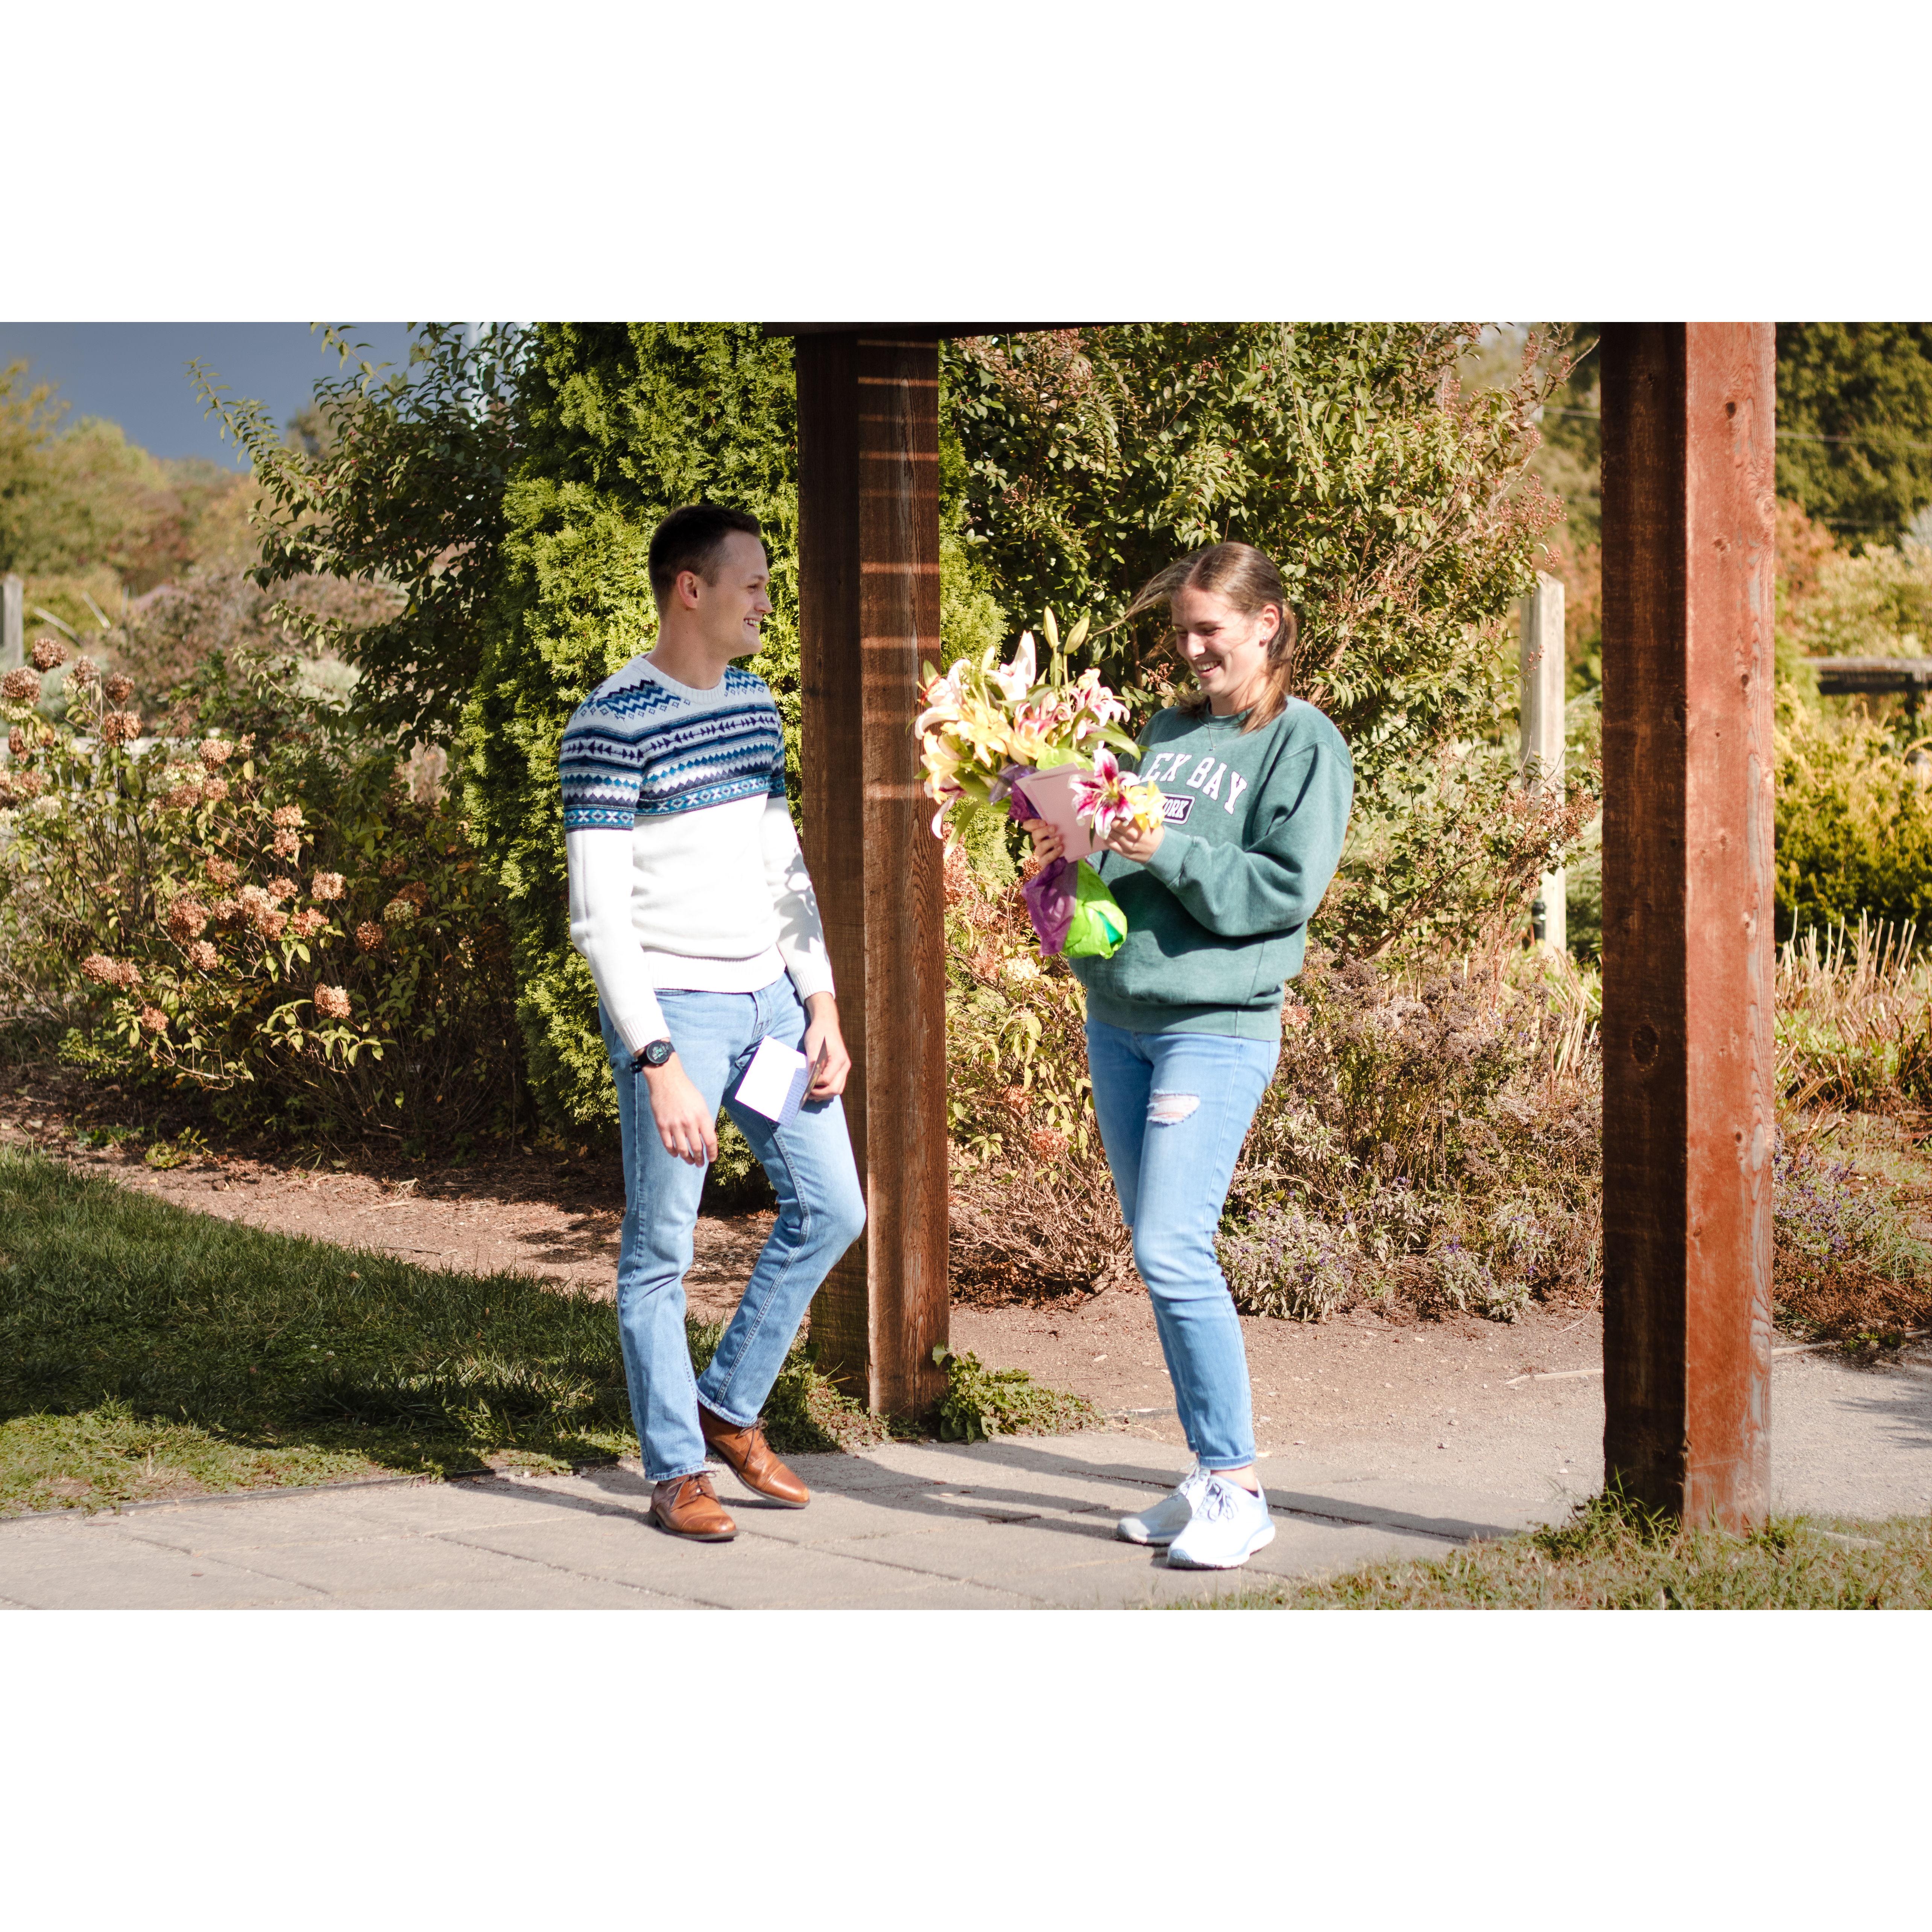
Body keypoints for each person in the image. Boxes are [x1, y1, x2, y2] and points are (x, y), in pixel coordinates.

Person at [1023, 541, 1353, 1569]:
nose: (1194, 649)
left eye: (1211, 630)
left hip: (1215, 1026)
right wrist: (1068, 843)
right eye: (1183, 633)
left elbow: (1282, 892)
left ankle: (1238, 1489)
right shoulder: (1164, 734)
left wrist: (1161, 844)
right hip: (1119, 1017)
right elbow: (1125, 862)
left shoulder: (1303, 743)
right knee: (1158, 1255)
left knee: (1174, 1249)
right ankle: (1207, 1475)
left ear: (1267, 624)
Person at [560, 503, 866, 1543]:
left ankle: (726, 1406)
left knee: (833, 1209)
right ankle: (675, 1470)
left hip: (769, 1008)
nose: (766, 602)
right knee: (661, 1250)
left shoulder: (754, 705)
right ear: (690, 590)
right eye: (754, 585)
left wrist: (819, 1000)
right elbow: (599, 917)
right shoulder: (611, 722)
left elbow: (783, 864)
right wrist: (657, 1061)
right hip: (678, 1016)